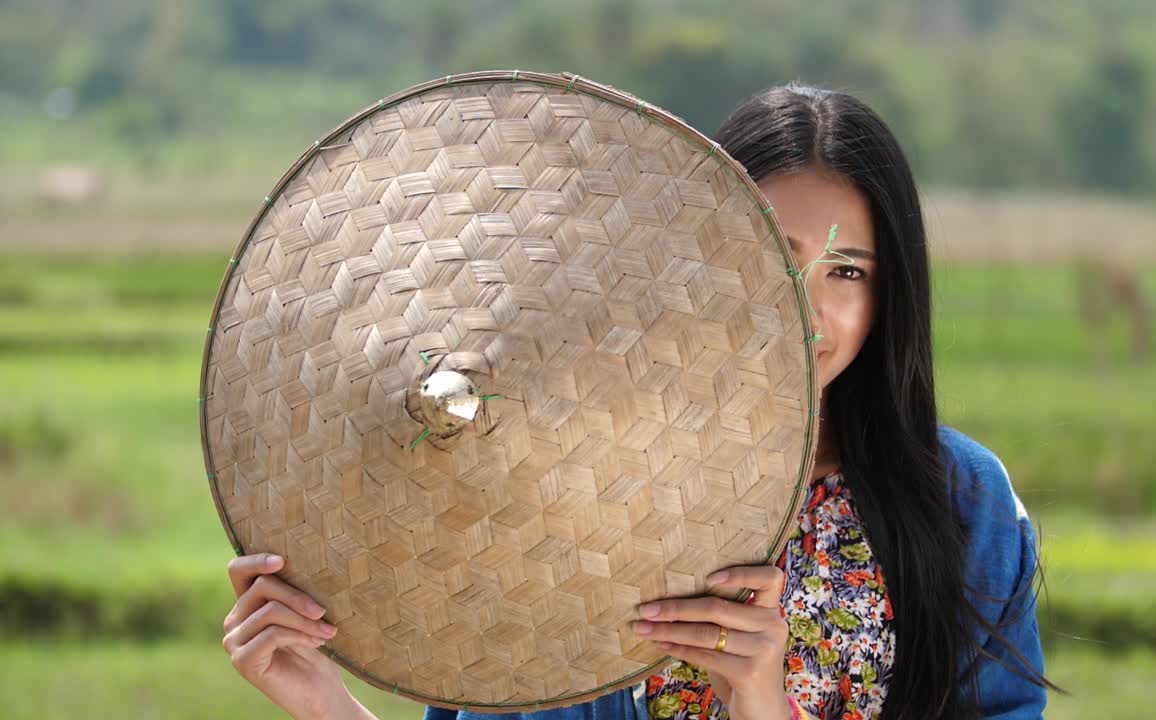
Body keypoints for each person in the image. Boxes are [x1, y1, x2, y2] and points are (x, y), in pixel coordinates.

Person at [222, 82, 1056, 720]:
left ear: (890, 296)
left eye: (848, 272)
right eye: (767, 251)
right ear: (688, 255)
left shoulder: (965, 504)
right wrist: (325, 702)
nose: (799, 307)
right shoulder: (544, 483)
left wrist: (764, 703)